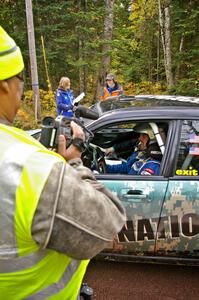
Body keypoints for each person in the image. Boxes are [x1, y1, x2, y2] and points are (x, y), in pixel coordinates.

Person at [0, 26, 126, 299]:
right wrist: (75, 164)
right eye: (21, 80)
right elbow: (107, 225)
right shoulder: (30, 168)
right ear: (5, 85)